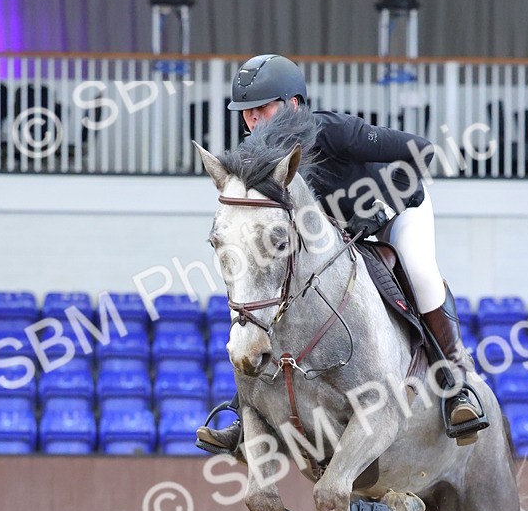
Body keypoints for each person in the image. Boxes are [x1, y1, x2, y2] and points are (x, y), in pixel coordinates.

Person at [196, 53, 487, 455]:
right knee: (271, 298)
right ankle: (244, 414)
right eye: (247, 113)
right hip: (339, 237)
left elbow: (420, 152)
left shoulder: (333, 131)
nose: (254, 120)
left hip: (397, 211)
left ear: (293, 104)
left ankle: (457, 384)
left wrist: (379, 210)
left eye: (262, 108)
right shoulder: (254, 160)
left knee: (420, 273)